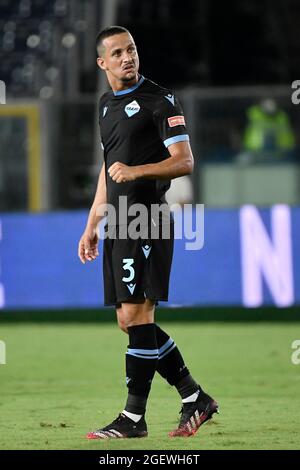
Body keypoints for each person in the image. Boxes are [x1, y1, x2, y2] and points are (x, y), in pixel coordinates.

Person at [78, 25, 218, 439]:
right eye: (117, 53)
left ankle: (133, 419)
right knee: (128, 320)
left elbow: (184, 161)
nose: (128, 58)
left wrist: (137, 170)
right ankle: (194, 396)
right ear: (103, 62)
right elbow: (109, 170)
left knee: (139, 315)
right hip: (119, 220)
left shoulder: (160, 101)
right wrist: (92, 224)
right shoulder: (106, 104)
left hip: (148, 218)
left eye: (132, 50)